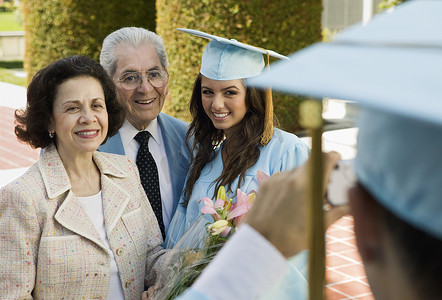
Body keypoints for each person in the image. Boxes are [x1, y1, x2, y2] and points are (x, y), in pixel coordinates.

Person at [0, 55, 169, 299]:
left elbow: (152, 255)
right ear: (49, 120)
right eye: (72, 108)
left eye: (96, 105)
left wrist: (197, 262)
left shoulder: (126, 172)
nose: (88, 117)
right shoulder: (22, 198)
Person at [165, 29, 310, 248]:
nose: (216, 104)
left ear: (253, 94)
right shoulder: (205, 160)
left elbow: (302, 239)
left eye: (230, 92)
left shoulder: (286, 151)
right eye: (208, 92)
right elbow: (181, 235)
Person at [98, 27, 190, 238]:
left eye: (154, 74)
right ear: (108, 84)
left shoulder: (191, 139)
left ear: (167, 79)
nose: (146, 88)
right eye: (130, 78)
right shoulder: (88, 147)